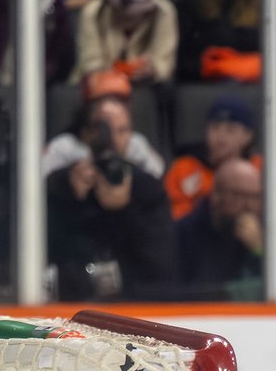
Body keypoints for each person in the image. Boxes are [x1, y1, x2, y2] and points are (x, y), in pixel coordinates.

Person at [45, 95, 176, 301]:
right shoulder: (61, 184)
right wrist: (72, 200)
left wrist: (125, 210)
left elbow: (161, 265)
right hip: (70, 303)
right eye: (103, 129)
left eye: (122, 131)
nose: (112, 140)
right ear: (86, 133)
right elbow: (42, 253)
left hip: (132, 304)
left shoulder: (147, 188)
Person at [40, 71, 169, 178]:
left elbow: (159, 179)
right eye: (102, 101)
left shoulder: (135, 145)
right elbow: (37, 179)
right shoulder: (66, 147)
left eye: (117, 102)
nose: (110, 109)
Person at [72, 0, 177, 87]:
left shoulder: (164, 12)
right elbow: (90, 62)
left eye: (131, 13)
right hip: (97, 85)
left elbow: (164, 63)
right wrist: (116, 73)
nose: (124, 15)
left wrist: (153, 70)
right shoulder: (92, 11)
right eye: (119, 9)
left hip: (146, 87)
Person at [173, 157, 264, 299]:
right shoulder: (183, 234)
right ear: (216, 195)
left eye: (255, 197)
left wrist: (258, 250)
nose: (249, 205)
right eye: (240, 195)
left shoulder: (266, 236)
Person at [164, 94, 259, 221]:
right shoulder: (184, 168)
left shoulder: (259, 169)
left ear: (248, 136)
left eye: (230, 130)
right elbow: (173, 217)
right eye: (215, 128)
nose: (221, 137)